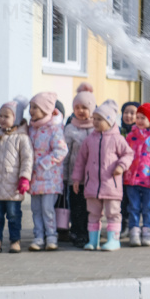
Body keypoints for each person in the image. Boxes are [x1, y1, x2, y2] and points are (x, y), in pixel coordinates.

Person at [71, 100, 134, 251]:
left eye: (100, 119)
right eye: (94, 119)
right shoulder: (89, 140)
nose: (96, 122)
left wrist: (121, 166)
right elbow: (80, 161)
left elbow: (128, 154)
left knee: (113, 213)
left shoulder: (117, 139)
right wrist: (76, 178)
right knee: (93, 213)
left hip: (111, 185)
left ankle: (114, 240)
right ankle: (93, 241)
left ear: (110, 121)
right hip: (92, 185)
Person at [0, 98, 33, 254]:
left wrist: (24, 178)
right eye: (1, 115)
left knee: (14, 215)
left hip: (13, 186)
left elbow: (27, 159)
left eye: (6, 116)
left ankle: (15, 240)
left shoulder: (22, 138)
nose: (2, 119)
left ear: (17, 118)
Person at [27, 92, 68, 251]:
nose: (31, 110)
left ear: (45, 109)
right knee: (35, 209)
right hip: (35, 178)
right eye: (31, 107)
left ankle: (51, 237)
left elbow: (61, 150)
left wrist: (42, 163)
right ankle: (38, 237)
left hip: (50, 178)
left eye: (35, 107)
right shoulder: (31, 128)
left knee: (47, 209)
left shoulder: (54, 128)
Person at [124, 103, 150, 247]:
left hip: (149, 181)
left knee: (148, 207)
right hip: (132, 180)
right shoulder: (131, 136)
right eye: (138, 117)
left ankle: (147, 231)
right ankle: (134, 231)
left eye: (144, 118)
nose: (140, 120)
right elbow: (125, 155)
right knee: (133, 207)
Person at [63, 90, 96, 248]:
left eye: (84, 107)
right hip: (74, 178)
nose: (80, 111)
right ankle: (77, 232)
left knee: (91, 207)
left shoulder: (97, 127)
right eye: (77, 107)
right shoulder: (70, 129)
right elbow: (65, 154)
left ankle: (91, 232)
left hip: (93, 178)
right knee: (76, 206)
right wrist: (63, 176)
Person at [118, 101, 139, 237]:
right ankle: (122, 224)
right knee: (121, 200)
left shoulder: (141, 132)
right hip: (120, 173)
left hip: (136, 173)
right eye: (126, 112)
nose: (128, 116)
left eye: (132, 113)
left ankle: (134, 225)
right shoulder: (118, 131)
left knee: (134, 201)